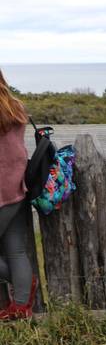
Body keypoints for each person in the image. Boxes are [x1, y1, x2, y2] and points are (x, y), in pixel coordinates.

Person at [0, 69, 37, 320]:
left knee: (15, 252)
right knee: (16, 251)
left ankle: (22, 285)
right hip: (17, 190)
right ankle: (21, 306)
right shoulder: (16, 107)